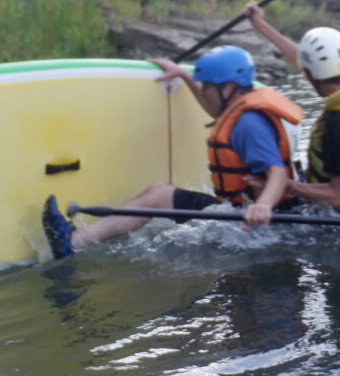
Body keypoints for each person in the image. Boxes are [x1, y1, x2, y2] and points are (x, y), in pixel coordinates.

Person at [42, 45, 304, 259]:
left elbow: (277, 173)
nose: (205, 92)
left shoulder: (249, 124)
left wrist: (263, 206)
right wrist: (182, 74)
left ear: (228, 87)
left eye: (208, 87)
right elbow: (215, 109)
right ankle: (74, 243)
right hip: (234, 209)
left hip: (263, 223)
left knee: (160, 204)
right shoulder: (234, 107)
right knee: (158, 194)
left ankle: (75, 243)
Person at [242, 1, 340, 213]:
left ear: (307, 75)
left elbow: (337, 196)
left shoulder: (337, 123)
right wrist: (261, 26)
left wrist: (283, 184)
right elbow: (311, 65)